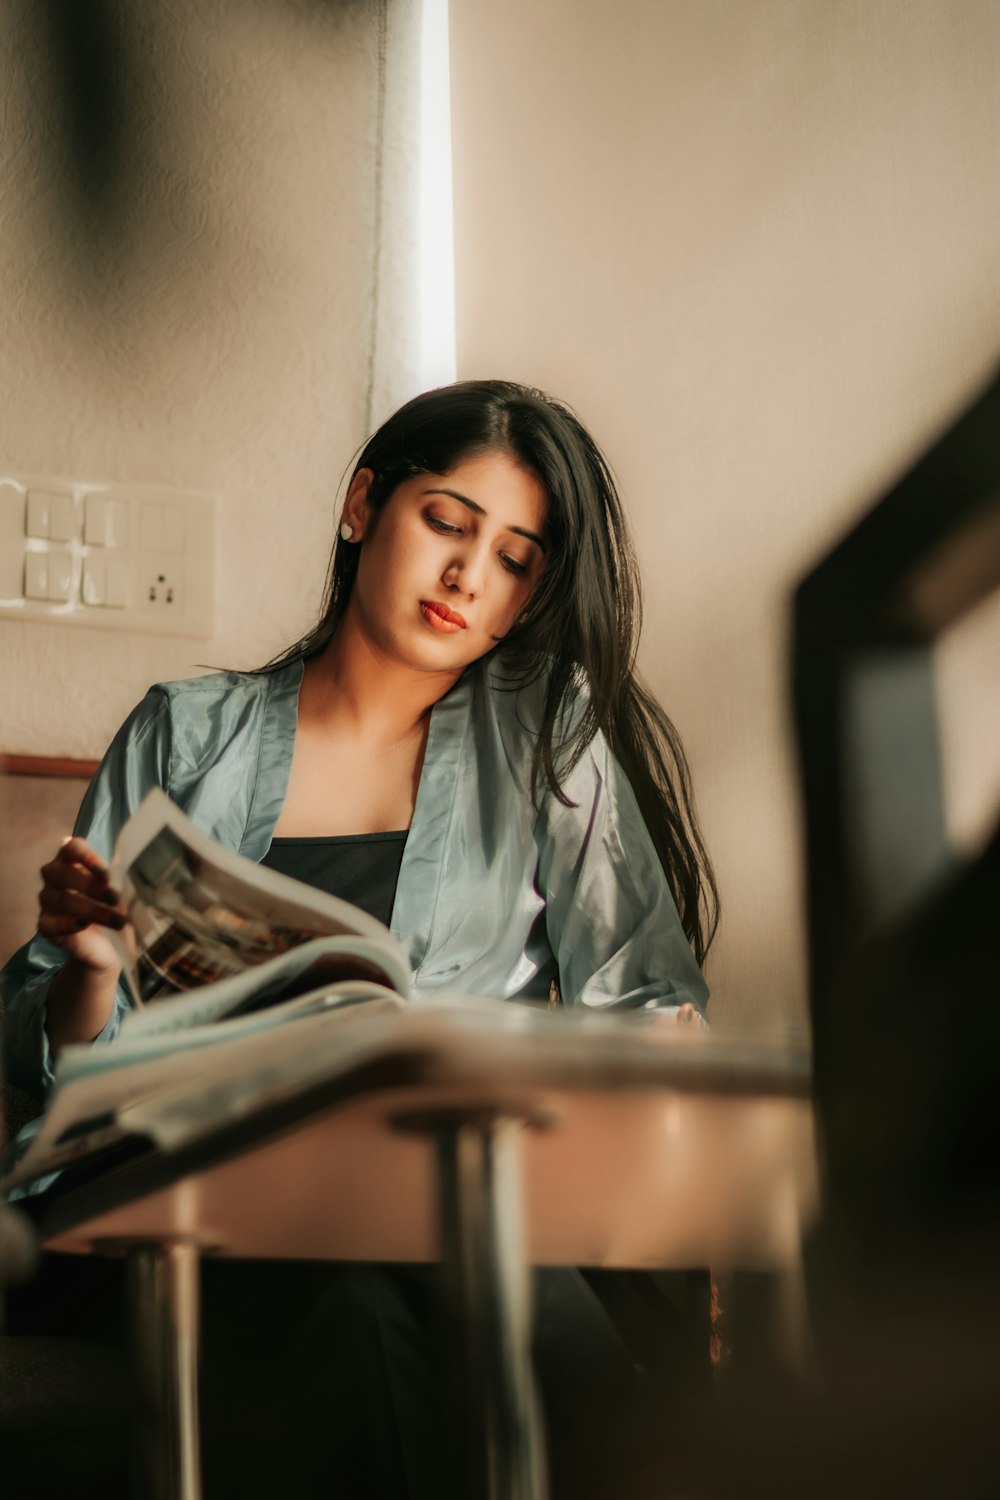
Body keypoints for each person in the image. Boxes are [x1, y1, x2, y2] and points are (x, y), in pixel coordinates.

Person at [2, 380, 719, 1499]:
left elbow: (639, 999)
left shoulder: (546, 739)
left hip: (420, 1203)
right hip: (172, 1198)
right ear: (361, 508)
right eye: (447, 521)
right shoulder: (186, 734)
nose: (468, 576)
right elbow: (56, 1076)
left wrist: (655, 1061)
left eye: (515, 557)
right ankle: (641, 1430)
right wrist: (91, 975)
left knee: (366, 1271)